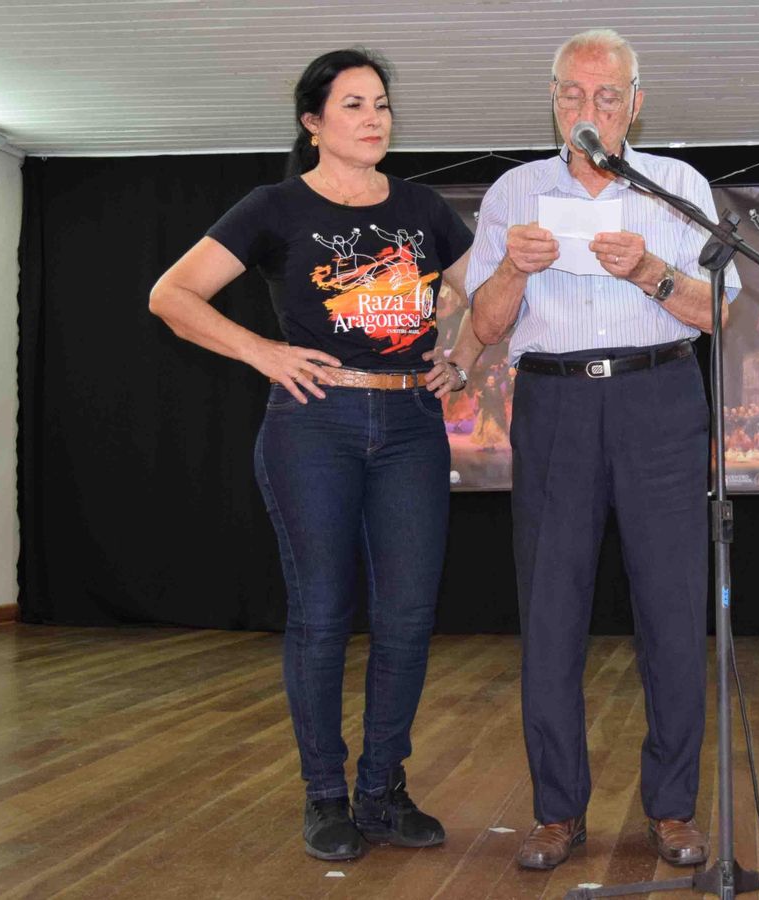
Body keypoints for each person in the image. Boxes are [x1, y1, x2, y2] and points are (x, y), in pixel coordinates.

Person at [148, 48, 484, 863]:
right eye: (354, 105)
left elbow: (480, 291)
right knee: (324, 614)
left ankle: (383, 789)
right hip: (315, 425)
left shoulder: (424, 208)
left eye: (382, 105)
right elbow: (171, 295)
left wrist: (467, 351)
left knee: (406, 617)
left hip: (410, 422)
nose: (374, 119)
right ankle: (326, 794)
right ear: (313, 123)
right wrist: (264, 352)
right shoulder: (275, 206)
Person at [464, 27, 741, 872]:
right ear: (553, 100)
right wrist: (511, 270)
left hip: (659, 397)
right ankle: (556, 813)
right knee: (550, 611)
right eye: (574, 95)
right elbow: (482, 325)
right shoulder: (513, 192)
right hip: (552, 402)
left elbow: (718, 311)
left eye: (608, 96)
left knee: (670, 606)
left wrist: (653, 273)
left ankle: (672, 810)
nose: (590, 110)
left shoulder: (681, 187)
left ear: (635, 104)